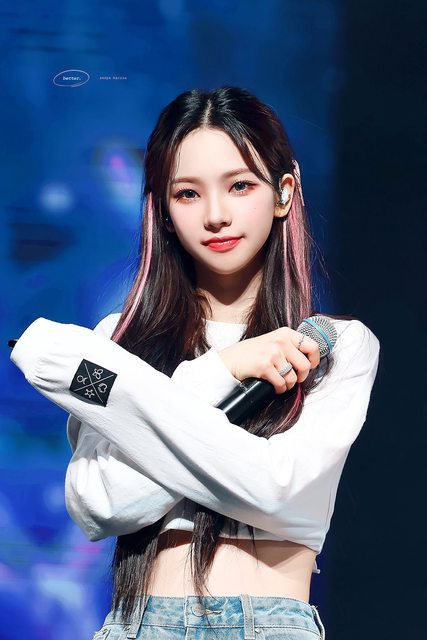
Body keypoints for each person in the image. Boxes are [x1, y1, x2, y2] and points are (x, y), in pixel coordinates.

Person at [10, 86, 380, 639]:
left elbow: (275, 488)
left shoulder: (334, 346)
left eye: (240, 186)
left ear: (284, 192)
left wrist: (142, 415)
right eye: (187, 193)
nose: (216, 215)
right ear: (162, 209)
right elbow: (99, 503)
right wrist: (223, 369)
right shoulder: (118, 342)